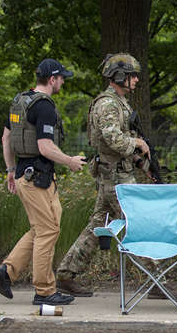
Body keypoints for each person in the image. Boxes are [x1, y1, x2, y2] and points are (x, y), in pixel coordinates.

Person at [0, 59, 87, 306]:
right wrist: (70, 161)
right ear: (52, 79)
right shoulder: (44, 107)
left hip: (25, 175)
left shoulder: (21, 101)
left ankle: (6, 272)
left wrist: (11, 170)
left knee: (43, 227)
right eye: (61, 78)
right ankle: (44, 291)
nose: (63, 82)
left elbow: (6, 138)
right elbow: (45, 147)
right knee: (48, 231)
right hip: (38, 179)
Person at [55, 53, 150, 296]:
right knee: (137, 221)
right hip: (116, 177)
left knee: (99, 225)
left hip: (115, 173)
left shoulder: (118, 102)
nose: (136, 80)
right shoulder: (108, 104)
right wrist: (137, 143)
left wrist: (139, 159)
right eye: (132, 75)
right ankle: (156, 279)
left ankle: (66, 274)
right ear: (119, 76)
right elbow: (113, 139)